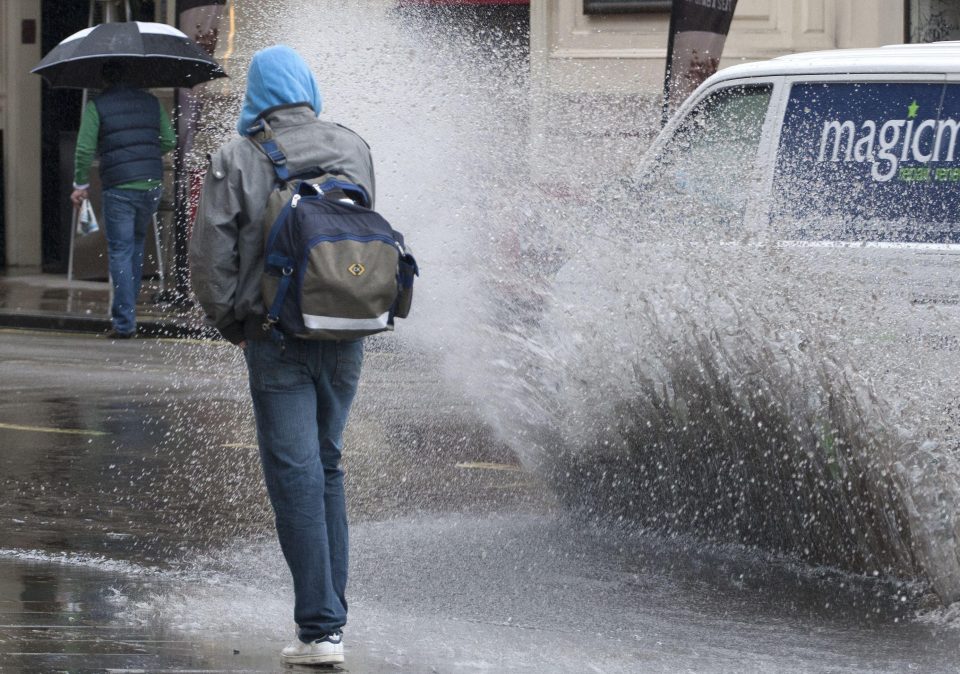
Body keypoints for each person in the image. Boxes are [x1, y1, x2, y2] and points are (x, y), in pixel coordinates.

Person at [189, 45, 375, 667]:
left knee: (295, 475)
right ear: (307, 88)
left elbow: (211, 256)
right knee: (327, 467)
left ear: (257, 94)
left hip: (274, 334)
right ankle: (329, 623)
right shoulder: (353, 147)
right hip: (345, 331)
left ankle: (321, 630)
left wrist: (230, 323)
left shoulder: (238, 157)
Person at [70, 60, 176, 339]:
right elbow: (169, 140)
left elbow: (83, 148)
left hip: (119, 186)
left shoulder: (97, 106)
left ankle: (125, 322)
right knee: (136, 246)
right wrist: (148, 153)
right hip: (151, 184)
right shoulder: (151, 103)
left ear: (105, 81)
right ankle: (129, 311)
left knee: (120, 251)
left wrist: (80, 184)